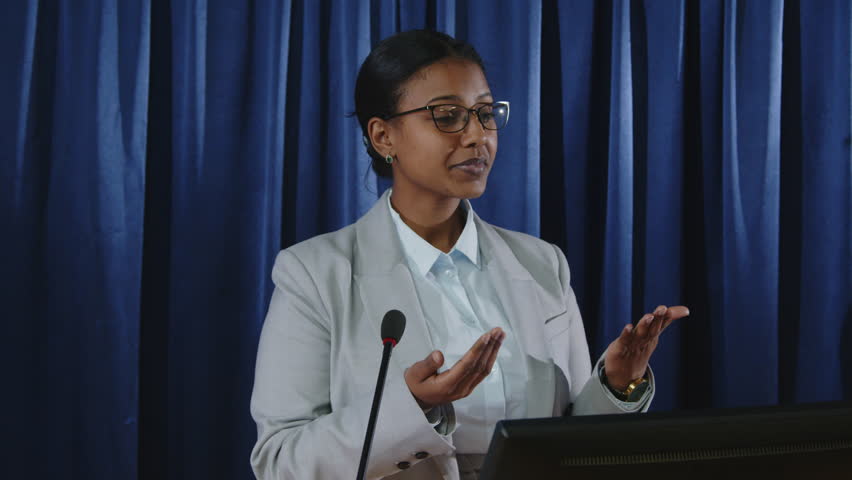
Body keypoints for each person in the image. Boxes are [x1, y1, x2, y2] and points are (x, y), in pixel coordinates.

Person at [250, 29, 689, 480]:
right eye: (447, 116)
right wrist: (414, 406)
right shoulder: (315, 274)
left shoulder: (542, 264)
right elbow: (280, 463)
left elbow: (571, 446)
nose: (478, 135)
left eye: (484, 113)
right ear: (383, 136)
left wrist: (617, 384)